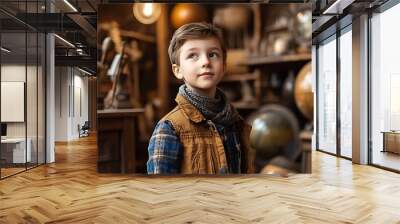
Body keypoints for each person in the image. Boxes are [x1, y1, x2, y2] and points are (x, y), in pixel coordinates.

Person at [147, 22, 254, 174]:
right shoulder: (169, 129)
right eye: (192, 56)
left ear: (223, 66)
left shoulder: (235, 123)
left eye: (212, 54)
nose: (205, 62)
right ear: (178, 70)